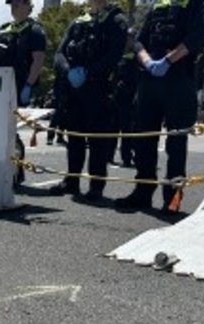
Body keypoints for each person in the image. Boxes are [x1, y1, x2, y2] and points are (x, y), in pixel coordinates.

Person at [115, 0, 204, 213]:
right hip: (150, 77)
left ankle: (173, 197)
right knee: (143, 138)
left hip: (179, 76)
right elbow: (140, 40)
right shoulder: (159, 3)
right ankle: (142, 191)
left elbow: (199, 34)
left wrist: (168, 61)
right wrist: (148, 62)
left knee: (176, 142)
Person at [49, 0, 126, 201]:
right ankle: (72, 181)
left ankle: (96, 185)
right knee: (74, 137)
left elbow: (114, 54)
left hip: (98, 88)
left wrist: (89, 72)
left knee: (98, 140)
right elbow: (59, 53)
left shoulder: (116, 20)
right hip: (74, 88)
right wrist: (68, 71)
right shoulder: (78, 21)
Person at [0, 0, 46, 184]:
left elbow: (38, 60)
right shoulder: (6, 29)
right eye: (12, 4)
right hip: (2, 86)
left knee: (12, 131)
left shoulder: (34, 30)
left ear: (28, 6)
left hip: (21, 86)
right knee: (2, 131)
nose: (14, 7)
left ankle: (16, 171)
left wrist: (29, 85)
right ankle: (8, 168)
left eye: (18, 3)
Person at [110, 27, 138, 168]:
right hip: (116, 97)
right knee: (112, 128)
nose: (128, 40)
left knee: (127, 130)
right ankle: (109, 155)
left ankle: (127, 157)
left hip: (130, 97)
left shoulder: (137, 56)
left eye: (130, 37)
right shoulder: (118, 54)